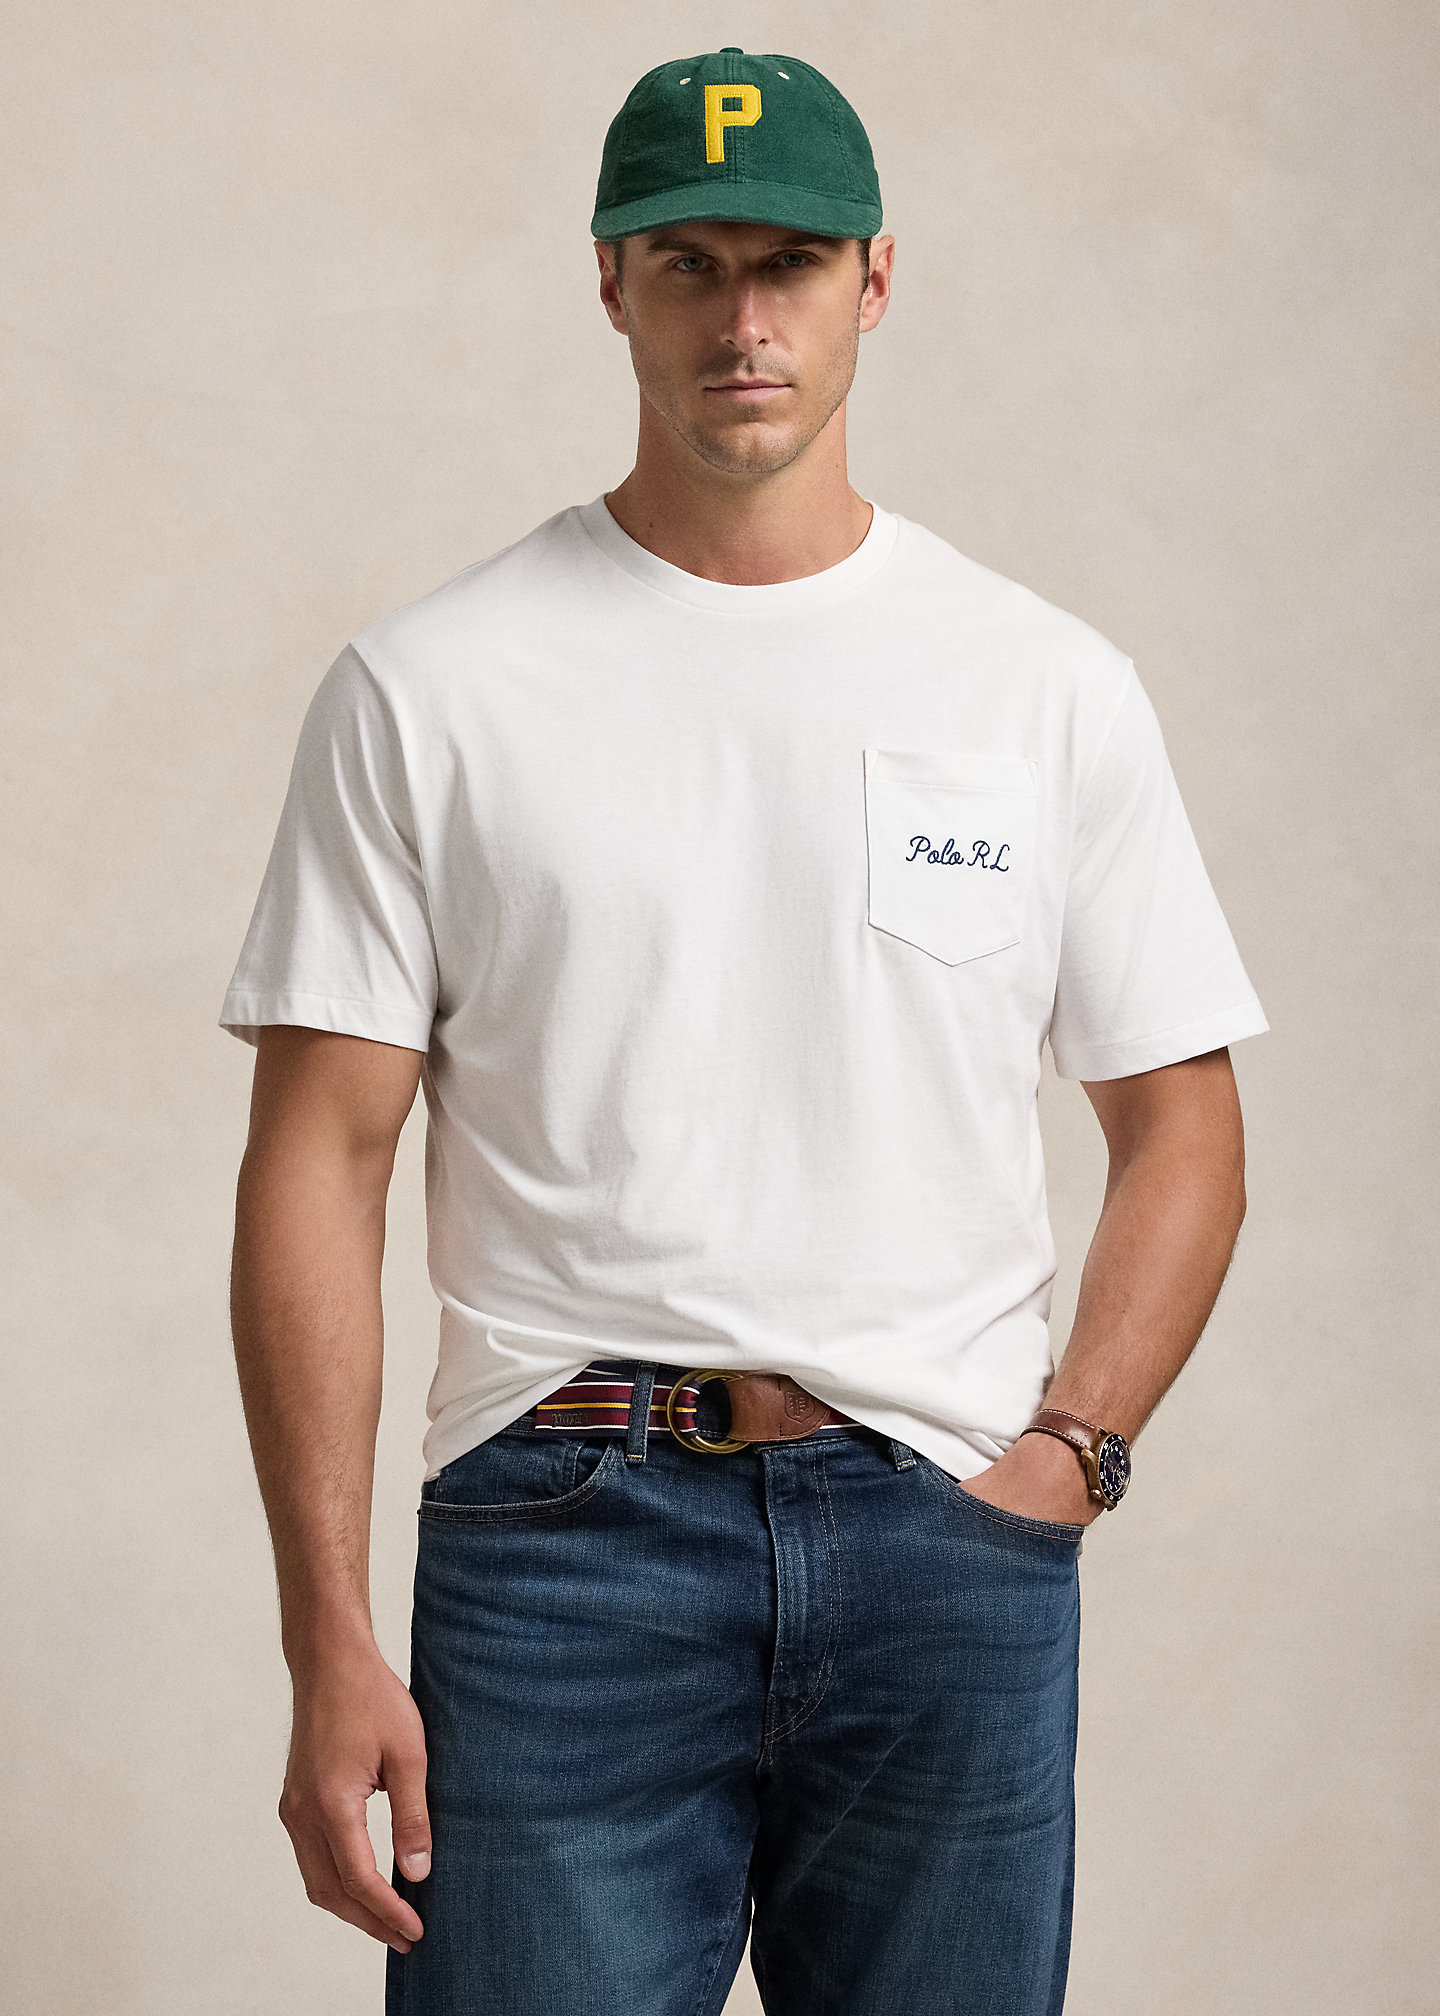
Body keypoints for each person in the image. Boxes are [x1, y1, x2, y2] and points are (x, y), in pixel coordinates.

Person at [222, 45, 1269, 2016]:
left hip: (945, 1540)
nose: (742, 319)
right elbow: (319, 1160)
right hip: (562, 1546)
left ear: (877, 277)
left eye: (786, 261)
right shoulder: (433, 688)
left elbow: (1184, 1126)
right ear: (609, 283)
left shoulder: (1041, 687)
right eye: (687, 263)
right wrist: (326, 1636)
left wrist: (1070, 1459)